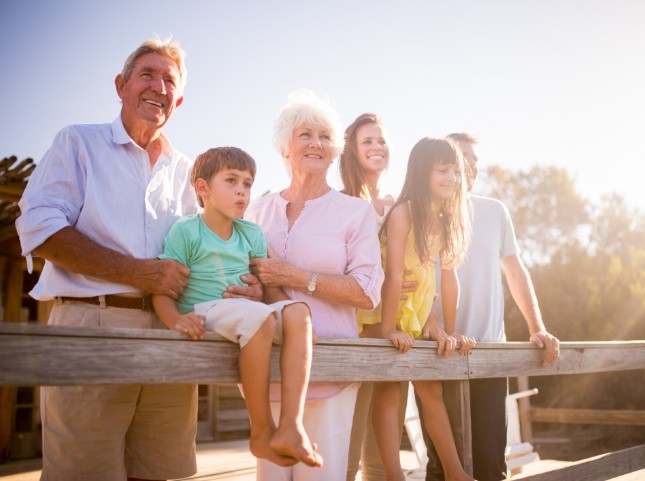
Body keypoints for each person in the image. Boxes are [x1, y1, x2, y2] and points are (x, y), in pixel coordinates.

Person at [15, 38, 261, 481]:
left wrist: (249, 288)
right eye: (147, 74)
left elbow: (211, 252)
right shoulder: (78, 143)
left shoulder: (190, 174)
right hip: (94, 328)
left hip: (172, 333)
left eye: (170, 80)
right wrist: (137, 272)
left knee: (158, 471)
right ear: (121, 85)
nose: (159, 86)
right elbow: (39, 229)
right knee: (84, 472)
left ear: (178, 100)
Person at [245, 89, 385, 481]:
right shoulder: (256, 210)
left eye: (325, 136)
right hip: (268, 373)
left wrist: (292, 276)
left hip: (331, 372)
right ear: (285, 146)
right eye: (305, 134)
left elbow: (365, 292)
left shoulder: (355, 212)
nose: (316, 143)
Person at [152, 146, 321, 469]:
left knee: (299, 311)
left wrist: (298, 332)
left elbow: (270, 294)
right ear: (202, 188)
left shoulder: (251, 233)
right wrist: (175, 320)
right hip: (205, 310)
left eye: (247, 183)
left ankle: (290, 426)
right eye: (231, 181)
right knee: (257, 318)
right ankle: (261, 431)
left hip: (247, 313)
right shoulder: (186, 231)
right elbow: (162, 289)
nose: (242, 191)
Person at [420, 132, 560, 481]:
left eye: (474, 159)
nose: (469, 165)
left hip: (489, 354)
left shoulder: (494, 211)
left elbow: (515, 271)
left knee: (490, 466)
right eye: (459, 157)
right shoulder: (422, 213)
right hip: (437, 353)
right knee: (441, 467)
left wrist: (536, 327)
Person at [362, 137, 477, 481]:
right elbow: (394, 274)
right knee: (390, 389)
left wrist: (447, 329)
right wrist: (387, 332)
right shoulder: (403, 212)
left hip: (415, 314)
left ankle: (456, 472)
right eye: (443, 170)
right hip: (383, 313)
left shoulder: (442, 219)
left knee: (431, 390)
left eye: (455, 171)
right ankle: (395, 476)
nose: (452, 178)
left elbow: (445, 280)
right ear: (422, 172)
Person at [340, 113, 407, 481]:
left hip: (391, 323)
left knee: (386, 440)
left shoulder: (396, 203)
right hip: (353, 325)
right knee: (349, 433)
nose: (377, 147)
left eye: (381, 140)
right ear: (352, 150)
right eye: (367, 141)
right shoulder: (341, 200)